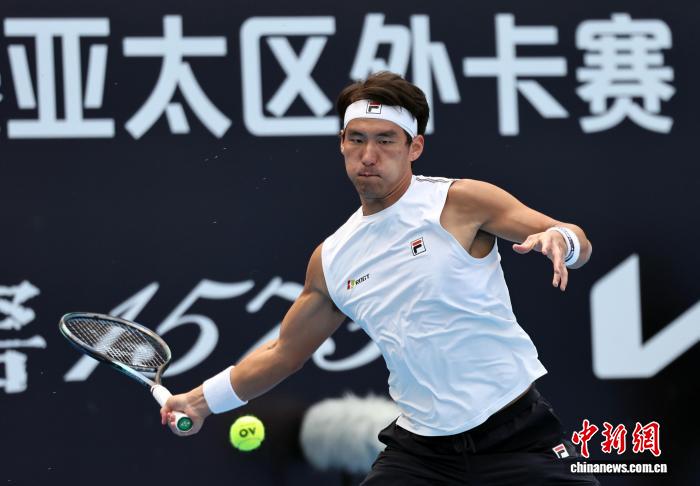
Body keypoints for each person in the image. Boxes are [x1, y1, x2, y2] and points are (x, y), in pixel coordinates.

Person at [162, 71, 598, 485]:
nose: (369, 155)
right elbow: (283, 354)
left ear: (415, 147)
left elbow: (576, 239)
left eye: (386, 140)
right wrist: (200, 401)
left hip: (516, 435)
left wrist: (561, 240)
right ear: (342, 143)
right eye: (357, 139)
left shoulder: (461, 203)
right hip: (421, 454)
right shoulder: (333, 259)